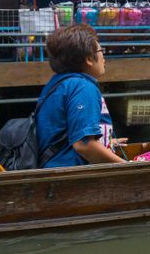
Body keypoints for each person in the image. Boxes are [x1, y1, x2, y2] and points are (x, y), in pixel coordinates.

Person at [35, 24, 126, 168]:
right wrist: (128, 166)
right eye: (101, 51)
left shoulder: (57, 84)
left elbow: (63, 133)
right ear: (89, 59)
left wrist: (106, 142)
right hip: (70, 176)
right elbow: (84, 145)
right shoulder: (83, 87)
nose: (104, 57)